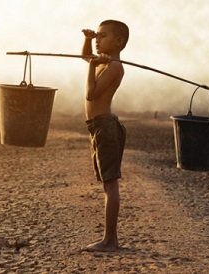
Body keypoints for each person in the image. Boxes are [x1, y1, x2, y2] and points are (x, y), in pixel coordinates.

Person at [81, 20, 129, 252]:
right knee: (107, 185)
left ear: (119, 42)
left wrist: (92, 65)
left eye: (103, 36)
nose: (98, 40)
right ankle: (110, 238)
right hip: (97, 127)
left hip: (105, 128)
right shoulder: (104, 63)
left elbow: (91, 94)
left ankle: (110, 240)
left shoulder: (114, 67)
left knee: (111, 185)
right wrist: (88, 40)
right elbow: (85, 56)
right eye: (97, 36)